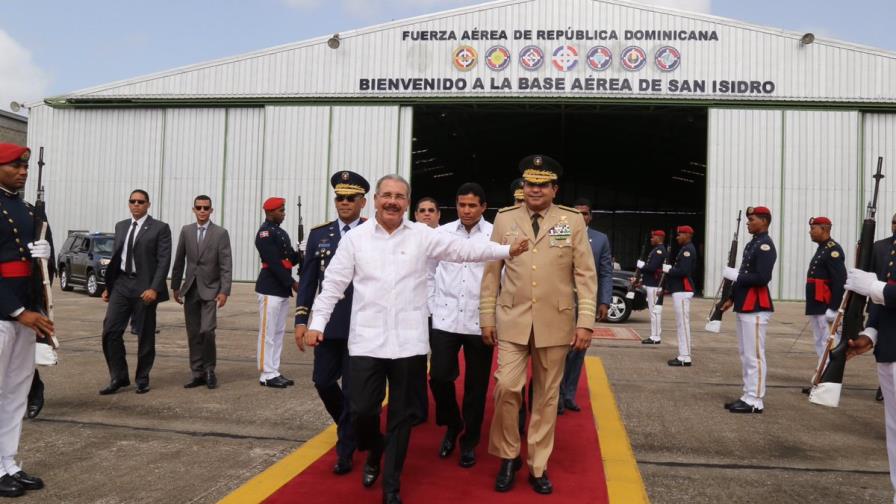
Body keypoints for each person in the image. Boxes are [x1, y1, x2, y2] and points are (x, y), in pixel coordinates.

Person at [304, 174, 527, 504]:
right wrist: (317, 322)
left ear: (407, 202)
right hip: (367, 341)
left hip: (409, 344)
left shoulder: (423, 236)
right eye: (387, 195)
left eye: (399, 196)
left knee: (401, 417)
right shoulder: (356, 240)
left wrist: (506, 249)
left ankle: (391, 486)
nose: (392, 202)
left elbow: (464, 250)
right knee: (362, 410)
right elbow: (333, 284)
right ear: (375, 200)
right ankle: (375, 449)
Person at [481, 155, 597, 495]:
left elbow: (585, 274)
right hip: (512, 318)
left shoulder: (571, 220)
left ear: (554, 189)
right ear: (523, 186)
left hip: (556, 321)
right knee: (507, 387)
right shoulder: (504, 218)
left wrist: (585, 322)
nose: (535, 189)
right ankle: (508, 456)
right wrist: (486, 316)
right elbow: (492, 272)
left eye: (543, 184)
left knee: (546, 397)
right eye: (530, 183)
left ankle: (538, 465)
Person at [294, 170, 369, 476]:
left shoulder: (373, 232)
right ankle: (349, 426)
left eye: (350, 198)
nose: (344, 203)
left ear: (363, 202)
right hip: (327, 324)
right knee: (323, 382)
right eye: (340, 198)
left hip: (361, 325)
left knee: (352, 390)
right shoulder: (319, 234)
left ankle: (345, 450)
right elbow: (308, 280)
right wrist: (302, 319)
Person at [427, 182, 494, 468]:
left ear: (483, 207)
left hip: (480, 322)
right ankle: (453, 423)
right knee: (439, 377)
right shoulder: (441, 234)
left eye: (472, 205)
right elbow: (428, 272)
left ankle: (469, 441)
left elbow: (502, 277)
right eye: (462, 205)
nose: (466, 210)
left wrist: (494, 316)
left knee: (476, 388)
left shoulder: (494, 235)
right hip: (445, 318)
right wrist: (432, 306)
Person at [0, 144, 51, 497]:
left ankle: (8, 462)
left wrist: (47, 253)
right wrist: (18, 310)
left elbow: (45, 270)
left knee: (17, 393)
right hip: (5, 313)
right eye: (14, 166)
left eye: (25, 167)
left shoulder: (30, 210)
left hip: (27, 315)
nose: (23, 172)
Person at [100, 189, 172, 395]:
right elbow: (116, 258)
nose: (136, 205)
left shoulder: (160, 228)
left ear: (148, 204)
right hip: (121, 284)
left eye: (141, 201)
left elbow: (163, 261)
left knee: (145, 334)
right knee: (110, 331)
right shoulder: (121, 226)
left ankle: (142, 378)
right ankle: (119, 376)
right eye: (132, 201)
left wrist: (154, 288)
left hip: (144, 286)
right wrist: (109, 287)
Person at [846, 257, 896, 503]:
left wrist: (874, 287)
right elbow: (884, 295)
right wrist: (871, 333)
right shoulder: (887, 246)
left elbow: (882, 289)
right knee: (894, 432)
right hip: (889, 349)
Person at [171, 195, 232, 390]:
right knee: (193, 333)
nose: (202, 211)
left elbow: (226, 265)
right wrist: (175, 286)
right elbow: (179, 259)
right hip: (190, 289)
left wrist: (224, 291)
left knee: (207, 331)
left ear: (211, 210)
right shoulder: (186, 231)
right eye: (199, 207)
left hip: (211, 290)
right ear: (194, 209)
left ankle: (209, 370)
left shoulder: (220, 233)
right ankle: (197, 372)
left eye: (206, 208)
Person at [558, 197, 611, 415]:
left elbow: (605, 272)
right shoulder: (559, 233)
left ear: (590, 216)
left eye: (585, 213)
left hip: (585, 303)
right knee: (559, 351)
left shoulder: (600, 239)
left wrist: (604, 301)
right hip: (560, 303)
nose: (581, 217)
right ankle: (556, 394)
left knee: (579, 351)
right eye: (577, 213)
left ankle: (569, 395)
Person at [721, 206, 777, 414]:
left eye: (752, 219)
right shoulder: (752, 244)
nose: (748, 223)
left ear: (764, 221)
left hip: (756, 306)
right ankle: (747, 394)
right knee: (746, 354)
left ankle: (755, 400)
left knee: (755, 355)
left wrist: (736, 276)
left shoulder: (765, 246)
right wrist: (731, 297)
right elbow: (746, 273)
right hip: (745, 303)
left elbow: (762, 278)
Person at [255, 197, 300, 388]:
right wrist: (291, 282)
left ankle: (274, 370)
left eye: (284, 210)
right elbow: (273, 262)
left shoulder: (280, 232)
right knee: (268, 332)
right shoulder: (264, 233)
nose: (284, 214)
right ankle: (266, 373)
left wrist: (301, 252)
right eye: (280, 211)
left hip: (281, 289)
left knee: (278, 332)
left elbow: (290, 259)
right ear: (270, 212)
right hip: (270, 288)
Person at [804, 217, 846, 380]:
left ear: (824, 229)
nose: (810, 232)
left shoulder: (833, 250)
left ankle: (827, 378)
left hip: (825, 303)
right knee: (819, 340)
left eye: (813, 228)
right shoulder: (822, 248)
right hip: (816, 302)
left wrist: (834, 308)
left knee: (828, 341)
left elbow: (839, 280)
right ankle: (821, 376)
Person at [869, 214, 896, 403]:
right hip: (879, 304)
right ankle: (883, 386)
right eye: (894, 222)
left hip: (887, 298)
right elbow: (871, 274)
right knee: (883, 350)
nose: (895, 225)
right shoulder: (879, 246)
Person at [664, 226, 697, 367]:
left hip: (683, 290)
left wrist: (670, 270)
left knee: (683, 324)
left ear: (687, 235)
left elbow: (684, 271)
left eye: (680, 234)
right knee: (681, 324)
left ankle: (685, 356)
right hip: (680, 290)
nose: (678, 237)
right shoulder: (685, 249)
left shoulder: (688, 250)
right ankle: (683, 354)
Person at [638, 230, 668, 345]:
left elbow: (652, 268)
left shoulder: (659, 251)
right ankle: (655, 335)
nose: (651, 239)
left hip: (655, 285)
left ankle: (655, 337)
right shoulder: (657, 250)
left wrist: (642, 266)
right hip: (653, 284)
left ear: (659, 238)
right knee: (654, 311)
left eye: (653, 237)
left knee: (654, 312)